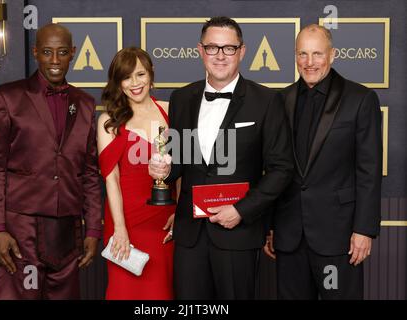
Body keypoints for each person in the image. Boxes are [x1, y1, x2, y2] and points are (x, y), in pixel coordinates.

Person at [149, 16, 293, 299]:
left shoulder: (266, 100)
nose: (220, 56)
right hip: (190, 233)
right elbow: (181, 158)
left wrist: (241, 210)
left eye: (228, 48)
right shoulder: (182, 98)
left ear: (242, 51)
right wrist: (162, 169)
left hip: (237, 232)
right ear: (200, 51)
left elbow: (281, 169)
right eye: (212, 48)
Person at [0, 23, 102, 299]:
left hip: (66, 231)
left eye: (62, 52)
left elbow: (89, 173)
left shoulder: (84, 103)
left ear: (73, 53)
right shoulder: (7, 97)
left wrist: (93, 228)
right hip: (20, 229)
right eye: (47, 52)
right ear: (36, 52)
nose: (55, 60)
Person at [263, 24, 382, 299]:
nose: (309, 62)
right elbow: (274, 168)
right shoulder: (281, 99)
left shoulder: (360, 99)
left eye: (317, 54)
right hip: (289, 234)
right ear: (294, 56)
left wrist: (364, 229)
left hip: (339, 236)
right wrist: (270, 226)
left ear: (332, 54)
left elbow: (369, 170)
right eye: (302, 54)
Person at [97, 47, 176, 300]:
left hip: (163, 218)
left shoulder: (170, 110)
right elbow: (111, 177)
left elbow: (184, 170)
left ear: (151, 76)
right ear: (118, 82)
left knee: (160, 291)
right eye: (127, 77)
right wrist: (119, 227)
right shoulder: (109, 120)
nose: (135, 83)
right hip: (126, 219)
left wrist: (180, 211)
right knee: (125, 291)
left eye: (140, 74)